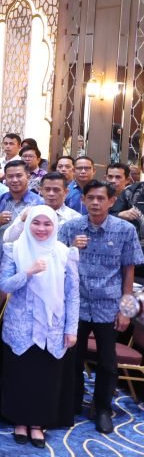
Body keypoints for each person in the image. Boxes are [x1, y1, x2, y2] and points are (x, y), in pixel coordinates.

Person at [58, 180, 144, 434]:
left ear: (111, 201)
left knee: (107, 362)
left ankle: (103, 408)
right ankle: (72, 402)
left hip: (108, 306)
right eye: (91, 198)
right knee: (72, 359)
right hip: (76, 304)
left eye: (101, 198)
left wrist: (126, 311)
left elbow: (129, 271)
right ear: (83, 200)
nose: (95, 203)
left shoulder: (124, 230)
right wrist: (71, 248)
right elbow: (55, 261)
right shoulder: (70, 228)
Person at [0, 206, 80, 447]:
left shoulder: (65, 253)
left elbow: (72, 294)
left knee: (46, 378)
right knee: (20, 376)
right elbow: (5, 285)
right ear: (28, 223)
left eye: (47, 224)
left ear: (55, 226)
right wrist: (28, 272)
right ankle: (19, 421)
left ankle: (38, 424)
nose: (41, 228)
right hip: (20, 327)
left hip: (52, 327)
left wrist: (71, 329)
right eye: (36, 223)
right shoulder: (13, 249)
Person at [0, 160, 44, 262]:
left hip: (28, 258)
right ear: (5, 178)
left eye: (19, 176)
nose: (14, 180)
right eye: (10, 176)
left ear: (28, 176)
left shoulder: (39, 203)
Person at [4, 172, 80, 242]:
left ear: (66, 192)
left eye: (56, 190)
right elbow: (8, 239)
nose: (51, 194)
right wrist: (22, 221)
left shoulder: (74, 218)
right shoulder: (29, 212)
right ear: (41, 191)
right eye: (47, 189)